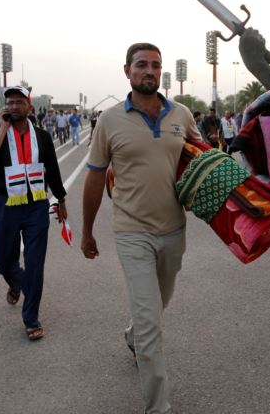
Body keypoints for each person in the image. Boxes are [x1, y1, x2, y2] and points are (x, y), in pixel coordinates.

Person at [82, 43, 201, 414]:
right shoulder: (110, 120)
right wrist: (87, 231)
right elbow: (94, 177)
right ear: (127, 71)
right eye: (141, 65)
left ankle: (133, 335)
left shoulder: (180, 114)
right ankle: (158, 407)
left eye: (155, 65)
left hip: (173, 229)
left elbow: (204, 157)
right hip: (131, 231)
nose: (149, 70)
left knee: (158, 305)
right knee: (153, 325)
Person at [0, 85, 67, 341]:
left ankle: (31, 318)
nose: (14, 106)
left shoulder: (42, 136)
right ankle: (17, 283)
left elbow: (52, 168)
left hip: (36, 205)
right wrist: (3, 129)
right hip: (7, 204)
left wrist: (60, 199)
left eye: (19, 102)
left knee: (36, 263)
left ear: (29, 107)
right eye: (10, 102)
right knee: (2, 260)